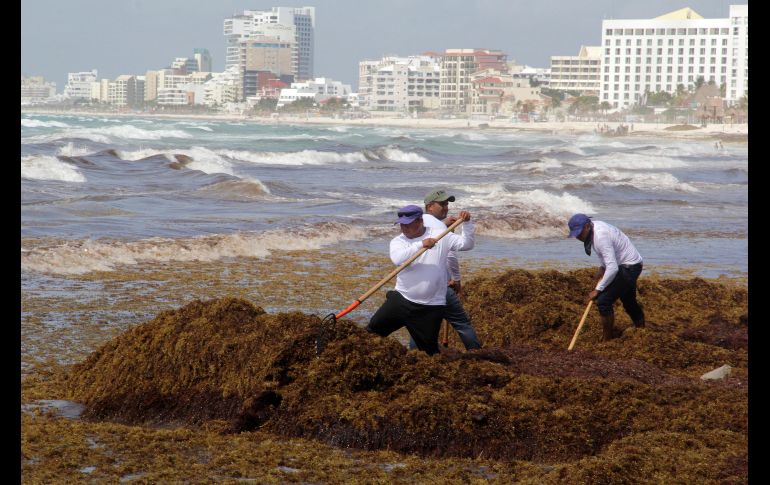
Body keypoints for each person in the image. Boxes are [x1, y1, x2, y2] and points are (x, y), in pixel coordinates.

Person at [367, 204, 475, 355]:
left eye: (408, 225)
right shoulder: (399, 241)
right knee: (370, 334)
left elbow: (467, 244)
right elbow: (398, 259)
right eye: (402, 225)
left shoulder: (441, 235)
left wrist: (468, 224)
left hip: (431, 307)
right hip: (401, 300)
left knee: (429, 353)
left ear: (420, 222)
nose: (404, 229)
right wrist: (420, 244)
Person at [405, 190, 482, 350]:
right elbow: (460, 249)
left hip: (418, 286)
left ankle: (414, 357)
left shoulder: (415, 225)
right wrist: (456, 279)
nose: (446, 207)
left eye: (447, 203)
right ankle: (477, 354)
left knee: (420, 325)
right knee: (462, 323)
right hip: (440, 287)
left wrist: (445, 225)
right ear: (430, 206)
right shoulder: (441, 230)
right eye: (442, 204)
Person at [567, 213, 645, 341]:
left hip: (629, 266)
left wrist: (598, 289)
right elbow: (605, 254)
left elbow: (613, 268)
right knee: (628, 301)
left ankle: (607, 339)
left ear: (587, 226)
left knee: (603, 301)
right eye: (575, 235)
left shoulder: (600, 235)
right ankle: (641, 330)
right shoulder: (594, 229)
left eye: (579, 233)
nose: (578, 237)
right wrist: (602, 267)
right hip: (625, 264)